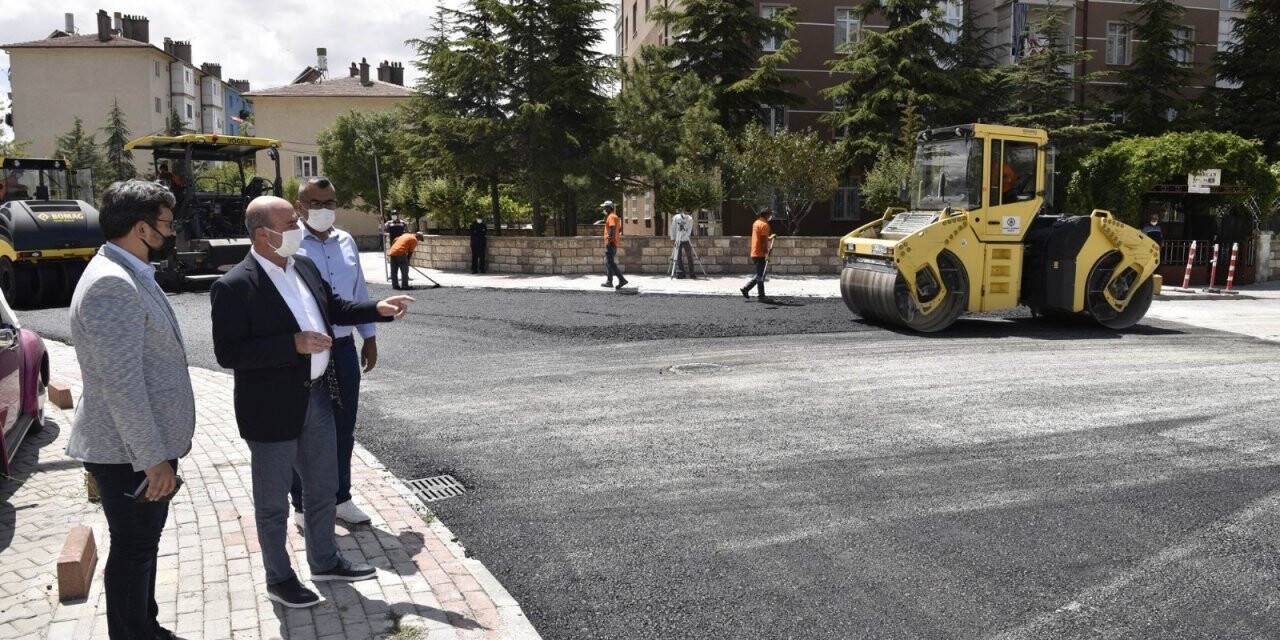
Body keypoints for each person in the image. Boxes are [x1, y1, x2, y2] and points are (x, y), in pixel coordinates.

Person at [210, 196, 414, 608]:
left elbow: (334, 307)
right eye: (290, 222)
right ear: (263, 234)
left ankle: (324, 560)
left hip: (317, 397)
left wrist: (376, 308)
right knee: (273, 504)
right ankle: (279, 578)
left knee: (322, 488)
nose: (299, 227)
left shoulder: (303, 266)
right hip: (271, 410)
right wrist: (293, 344)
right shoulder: (234, 286)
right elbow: (229, 353)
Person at [66, 180, 194, 640]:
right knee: (134, 549)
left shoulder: (126, 271)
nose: (171, 232)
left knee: (143, 546)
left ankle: (145, 626)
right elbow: (122, 386)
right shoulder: (112, 284)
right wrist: (152, 459)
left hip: (138, 450)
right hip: (131, 455)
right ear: (142, 228)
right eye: (166, 223)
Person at [293, 177, 376, 527]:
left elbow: (358, 290)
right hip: (304, 352)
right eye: (315, 203)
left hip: (342, 347)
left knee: (344, 426)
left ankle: (341, 497)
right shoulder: (290, 243)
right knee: (302, 428)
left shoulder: (346, 241)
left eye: (329, 203)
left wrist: (368, 336)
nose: (324, 210)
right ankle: (301, 504)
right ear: (300, 206)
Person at [740, 208, 776, 301]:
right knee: (761, 276)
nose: (771, 216)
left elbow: (761, 237)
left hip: (755, 252)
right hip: (760, 253)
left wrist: (770, 237)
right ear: (766, 215)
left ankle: (747, 289)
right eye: (770, 214)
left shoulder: (756, 223)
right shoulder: (765, 225)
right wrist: (766, 254)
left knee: (760, 274)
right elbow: (763, 242)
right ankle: (760, 296)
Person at [600, 201, 628, 290]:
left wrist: (610, 239)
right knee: (608, 263)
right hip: (613, 243)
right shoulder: (615, 216)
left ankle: (622, 280)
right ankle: (609, 282)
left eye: (605, 207)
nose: (604, 209)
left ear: (609, 208)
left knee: (611, 263)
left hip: (611, 243)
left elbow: (612, 227)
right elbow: (619, 229)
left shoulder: (611, 216)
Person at [670, 210, 695, 279]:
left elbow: (689, 230)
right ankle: (681, 273)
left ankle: (692, 273)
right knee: (678, 256)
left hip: (686, 239)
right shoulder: (676, 217)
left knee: (689, 256)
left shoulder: (690, 219)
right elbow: (673, 228)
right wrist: (673, 238)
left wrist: (684, 234)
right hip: (678, 239)